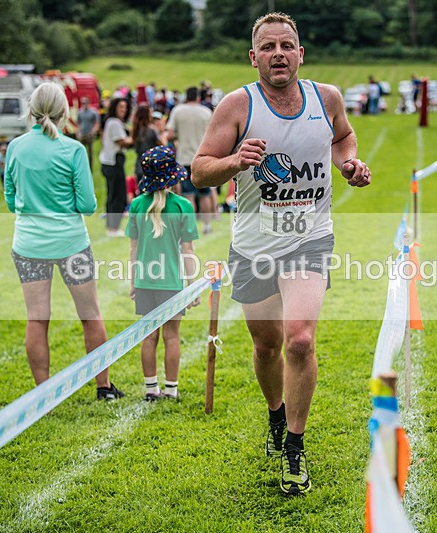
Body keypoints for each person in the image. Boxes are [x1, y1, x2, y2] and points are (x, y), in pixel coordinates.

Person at [192, 12, 371, 495]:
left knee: (299, 340)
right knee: (267, 345)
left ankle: (295, 446)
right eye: (267, 47)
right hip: (253, 244)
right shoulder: (237, 106)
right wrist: (234, 161)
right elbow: (200, 171)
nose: (277, 54)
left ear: (300, 53)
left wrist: (348, 163)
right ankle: (276, 415)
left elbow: (343, 137)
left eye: (285, 45)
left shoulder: (325, 98)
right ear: (254, 58)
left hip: (310, 238)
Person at [4, 82, 124, 400]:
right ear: (64, 112)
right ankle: (103, 386)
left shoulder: (15, 147)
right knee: (90, 314)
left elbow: (10, 199)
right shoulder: (73, 149)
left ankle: (43, 395)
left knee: (37, 317)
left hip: (29, 244)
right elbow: (87, 204)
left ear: (31, 110)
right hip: (71, 242)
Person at [127, 146, 200, 401]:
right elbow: (187, 250)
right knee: (172, 336)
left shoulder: (136, 205)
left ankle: (150, 389)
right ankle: (171, 390)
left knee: (149, 337)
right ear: (172, 176)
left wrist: (134, 281)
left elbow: (134, 249)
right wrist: (192, 286)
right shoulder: (182, 206)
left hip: (145, 281)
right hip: (171, 283)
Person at [167, 86, 214, 234]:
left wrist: (177, 140)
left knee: (189, 195)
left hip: (185, 158)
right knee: (205, 194)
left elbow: (169, 134)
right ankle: (207, 225)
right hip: (204, 157)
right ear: (198, 98)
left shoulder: (178, 111)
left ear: (186, 97)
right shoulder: (206, 112)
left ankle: (191, 227)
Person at [99, 98, 133, 237]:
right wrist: (134, 137)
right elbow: (122, 141)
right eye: (120, 107)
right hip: (113, 162)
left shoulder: (111, 122)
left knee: (112, 195)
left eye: (125, 107)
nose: (123, 110)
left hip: (109, 162)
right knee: (117, 195)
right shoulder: (114, 122)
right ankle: (114, 228)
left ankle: (111, 227)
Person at [130, 104, 161, 184]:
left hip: (139, 165)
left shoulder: (134, 130)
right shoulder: (152, 130)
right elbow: (161, 145)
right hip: (151, 166)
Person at [77, 97, 100, 172]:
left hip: (89, 135)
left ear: (89, 103)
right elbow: (79, 123)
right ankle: (81, 167)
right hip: (82, 134)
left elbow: (97, 123)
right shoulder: (80, 112)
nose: (84, 105)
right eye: (83, 103)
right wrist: (78, 132)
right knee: (81, 152)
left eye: (86, 103)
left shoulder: (93, 112)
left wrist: (93, 131)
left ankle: (90, 169)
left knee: (90, 153)